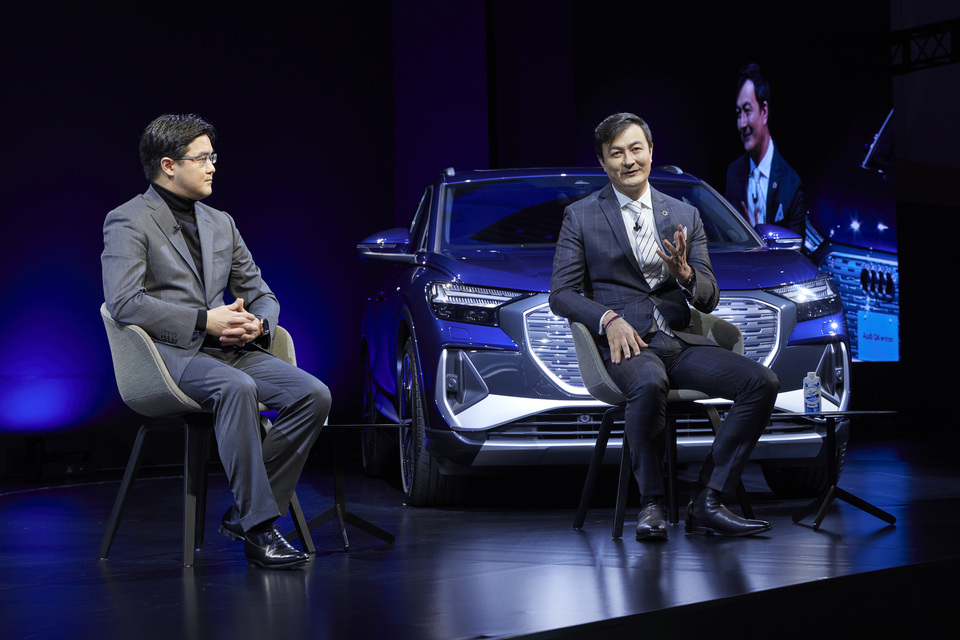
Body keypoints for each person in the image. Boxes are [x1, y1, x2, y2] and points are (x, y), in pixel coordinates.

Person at [102, 114, 331, 569]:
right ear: (169, 165)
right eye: (201, 158)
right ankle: (260, 530)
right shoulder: (128, 220)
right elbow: (125, 302)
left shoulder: (221, 222)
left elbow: (261, 293)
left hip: (227, 349)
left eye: (213, 157)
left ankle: (245, 513)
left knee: (313, 394)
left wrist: (258, 326)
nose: (212, 167)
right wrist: (204, 320)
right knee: (236, 388)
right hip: (169, 356)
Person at [550, 112, 779, 541]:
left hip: (680, 340)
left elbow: (709, 297)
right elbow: (560, 294)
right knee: (649, 381)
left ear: (651, 152)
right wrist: (607, 319)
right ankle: (652, 504)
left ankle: (708, 499)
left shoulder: (685, 214)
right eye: (616, 153)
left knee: (761, 383)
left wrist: (686, 275)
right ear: (603, 162)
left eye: (636, 149)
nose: (628, 160)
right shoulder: (581, 216)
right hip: (627, 346)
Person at [725, 63, 807, 235]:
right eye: (738, 113)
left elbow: (797, 249)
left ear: (764, 112)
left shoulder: (791, 184)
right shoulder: (733, 174)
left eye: (747, 111)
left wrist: (761, 242)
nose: (742, 124)